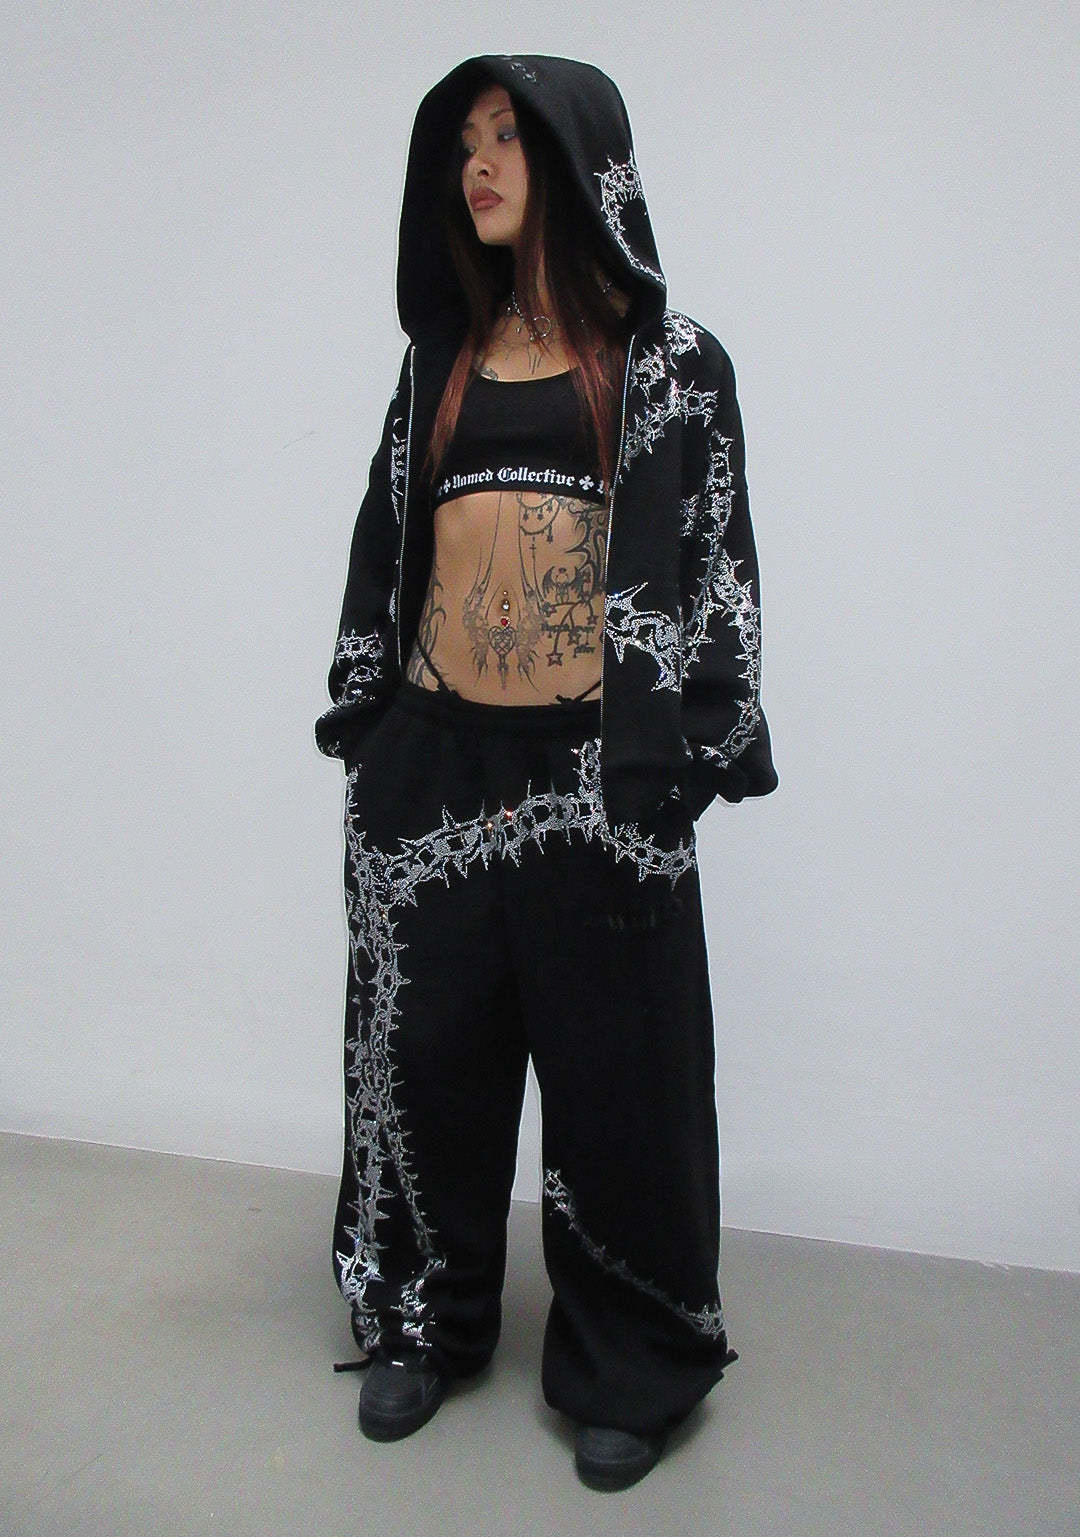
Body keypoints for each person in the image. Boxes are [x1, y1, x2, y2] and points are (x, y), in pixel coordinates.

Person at [315, 54, 778, 1492]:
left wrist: (694, 748)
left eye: (509, 136)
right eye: (464, 141)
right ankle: (419, 1319)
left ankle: (631, 1357)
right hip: (433, 773)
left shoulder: (677, 364)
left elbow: (716, 561)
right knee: (419, 1064)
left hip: (600, 782)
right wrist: (368, 712)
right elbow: (383, 541)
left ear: (584, 165)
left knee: (623, 1081)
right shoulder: (437, 363)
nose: (480, 164)